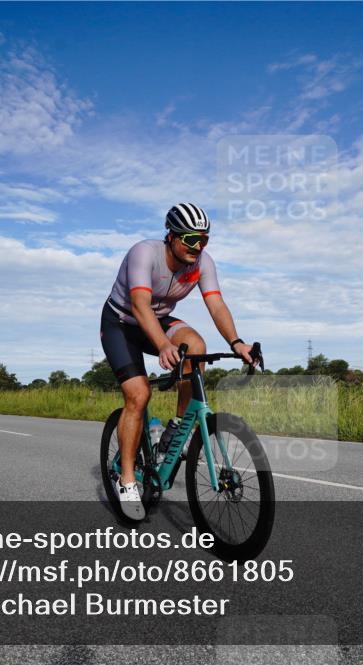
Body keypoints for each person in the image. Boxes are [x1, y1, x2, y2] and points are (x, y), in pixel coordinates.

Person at [101, 203, 256, 521]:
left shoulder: (203, 263)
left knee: (196, 346)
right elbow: (140, 305)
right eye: (190, 239)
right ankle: (127, 479)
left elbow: (216, 304)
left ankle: (176, 429)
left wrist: (237, 342)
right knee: (139, 395)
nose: (197, 246)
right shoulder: (144, 253)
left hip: (158, 319)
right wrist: (163, 345)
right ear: (171, 236)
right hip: (122, 323)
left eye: (204, 239)